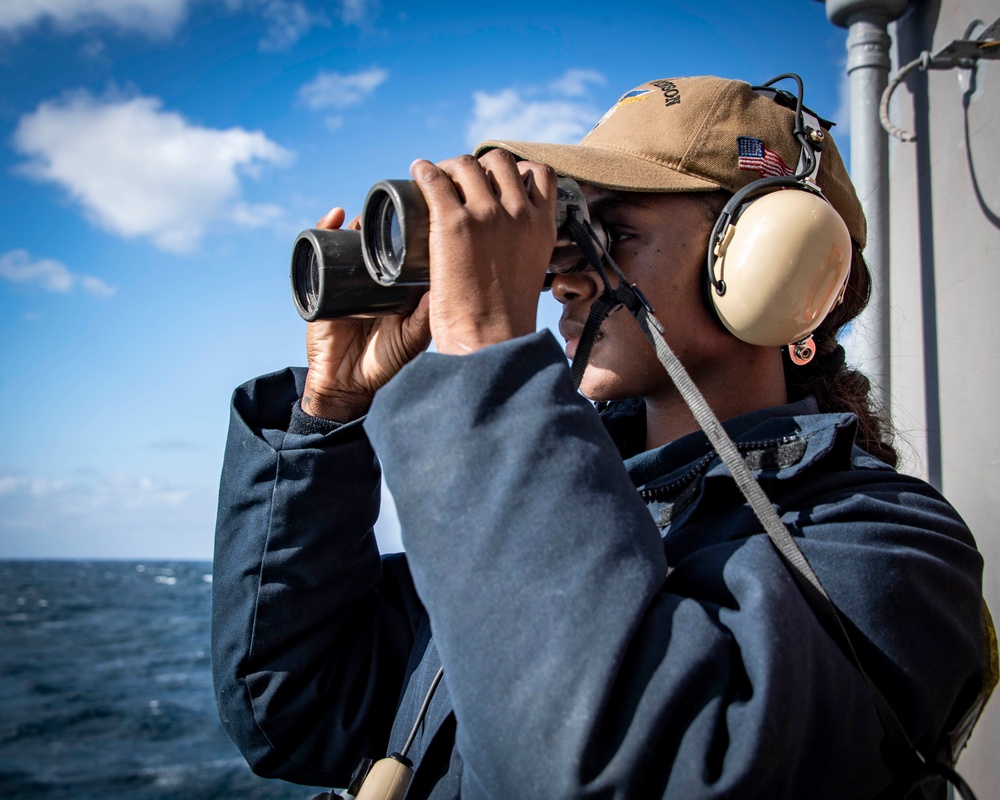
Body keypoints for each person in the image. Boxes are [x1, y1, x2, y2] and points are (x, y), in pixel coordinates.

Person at [211, 76, 993, 799]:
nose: (562, 279)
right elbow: (292, 706)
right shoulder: (554, 506)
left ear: (769, 262)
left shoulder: (888, 549)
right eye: (563, 239)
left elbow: (617, 770)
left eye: (609, 235)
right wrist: (330, 416)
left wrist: (488, 349)